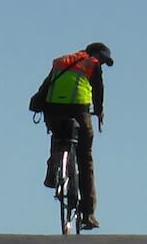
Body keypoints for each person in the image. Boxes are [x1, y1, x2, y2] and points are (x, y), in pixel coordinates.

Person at [37, 42, 113, 231]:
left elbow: (46, 85)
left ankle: (53, 168)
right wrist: (100, 111)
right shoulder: (91, 63)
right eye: (102, 59)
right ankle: (88, 214)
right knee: (85, 158)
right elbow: (98, 91)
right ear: (95, 54)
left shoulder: (62, 62)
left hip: (53, 111)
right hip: (79, 111)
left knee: (58, 134)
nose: (101, 63)